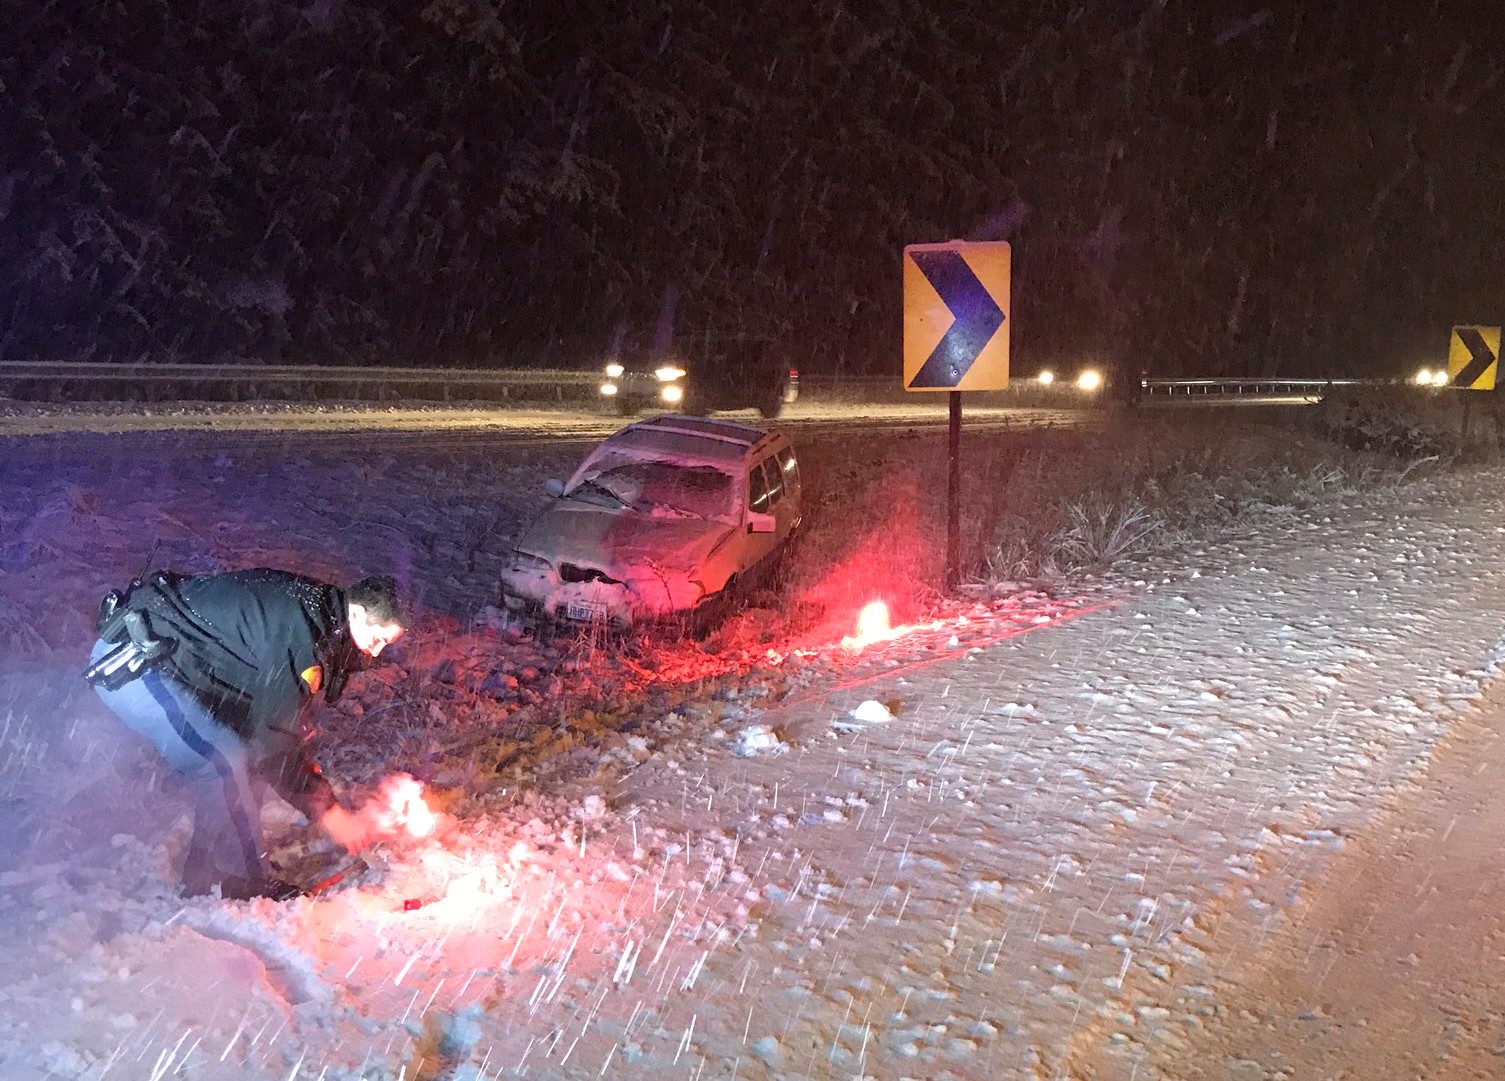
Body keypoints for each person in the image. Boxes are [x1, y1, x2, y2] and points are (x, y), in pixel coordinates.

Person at [85, 568, 407, 901]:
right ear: (356, 611)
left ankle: (220, 869)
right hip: (136, 663)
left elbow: (268, 729)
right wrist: (329, 812)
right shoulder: (301, 636)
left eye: (387, 643)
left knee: (243, 759)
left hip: (174, 661)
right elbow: (274, 742)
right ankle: (231, 882)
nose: (377, 651)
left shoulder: (321, 616)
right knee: (225, 762)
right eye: (378, 637)